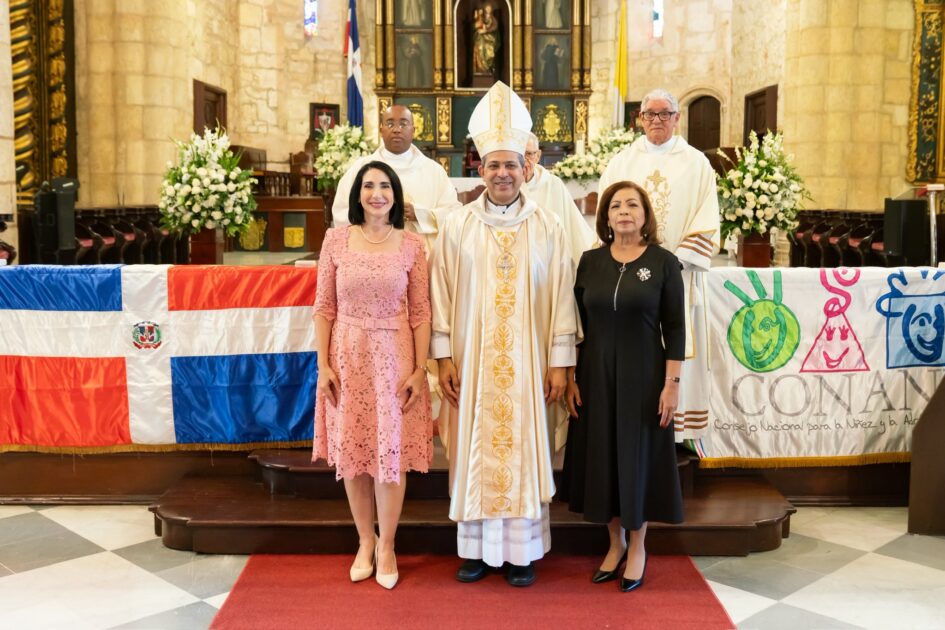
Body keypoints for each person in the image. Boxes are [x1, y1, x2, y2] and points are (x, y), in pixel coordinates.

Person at [430, 81, 580, 587]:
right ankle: (475, 550)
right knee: (474, 447)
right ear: (479, 168)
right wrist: (443, 356)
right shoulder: (457, 226)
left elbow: (562, 295)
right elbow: (441, 293)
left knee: (522, 447)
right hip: (472, 365)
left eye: (510, 165)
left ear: (526, 169)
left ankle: (521, 553)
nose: (501, 174)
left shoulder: (549, 227)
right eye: (493, 165)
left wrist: (560, 360)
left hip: (528, 366)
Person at [313, 161, 433, 590]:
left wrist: (420, 371)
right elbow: (324, 307)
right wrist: (323, 364)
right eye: (369, 186)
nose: (377, 193)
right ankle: (365, 539)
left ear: (396, 195)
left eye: (385, 186)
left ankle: (388, 544)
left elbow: (421, 314)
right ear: (357, 194)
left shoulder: (413, 245)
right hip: (346, 357)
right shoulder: (336, 241)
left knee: (389, 455)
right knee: (355, 453)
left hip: (394, 358)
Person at [561, 180, 685, 592]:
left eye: (633, 205)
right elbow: (576, 326)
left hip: (644, 376)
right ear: (606, 217)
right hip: (595, 375)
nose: (624, 212)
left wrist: (672, 385)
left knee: (636, 460)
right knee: (604, 459)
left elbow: (677, 330)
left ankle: (637, 546)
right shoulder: (590, 262)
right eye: (616, 206)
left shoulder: (664, 263)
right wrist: (573, 376)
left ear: (646, 215)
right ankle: (613, 544)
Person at [598, 88, 720, 442]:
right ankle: (634, 423)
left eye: (664, 114)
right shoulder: (622, 161)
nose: (657, 121)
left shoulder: (696, 162)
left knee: (677, 334)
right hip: (628, 273)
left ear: (677, 118)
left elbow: (706, 214)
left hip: (677, 272)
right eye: (650, 114)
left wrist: (672, 263)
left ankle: (679, 432)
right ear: (639, 119)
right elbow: (609, 209)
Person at [332, 105, 462, 253]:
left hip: (422, 255)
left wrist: (420, 215)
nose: (397, 129)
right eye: (390, 123)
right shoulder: (360, 169)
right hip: (373, 253)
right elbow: (341, 212)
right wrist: (374, 215)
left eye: (403, 123)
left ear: (413, 130)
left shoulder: (434, 171)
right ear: (381, 130)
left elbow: (454, 215)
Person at [523, 132, 597, 265]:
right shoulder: (507, 186)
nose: (524, 161)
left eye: (529, 154)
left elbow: (573, 224)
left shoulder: (553, 184)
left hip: (549, 260)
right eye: (519, 155)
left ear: (538, 156)